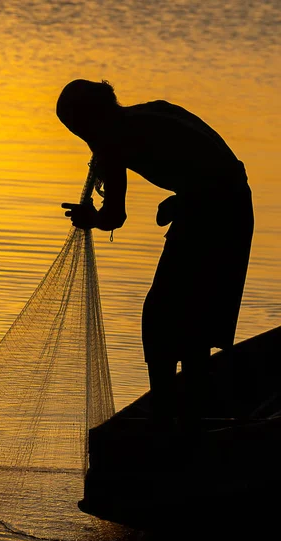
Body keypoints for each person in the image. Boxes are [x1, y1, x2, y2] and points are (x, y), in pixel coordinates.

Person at [57, 79, 254, 428]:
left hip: (218, 212)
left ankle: (169, 418)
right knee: (189, 314)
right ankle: (190, 413)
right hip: (224, 205)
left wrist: (93, 219)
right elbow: (210, 161)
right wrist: (184, 199)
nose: (82, 138)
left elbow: (115, 216)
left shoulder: (113, 140)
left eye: (76, 128)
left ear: (88, 120)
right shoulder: (148, 113)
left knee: (164, 314)